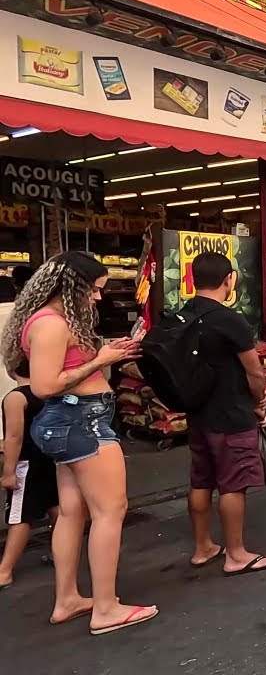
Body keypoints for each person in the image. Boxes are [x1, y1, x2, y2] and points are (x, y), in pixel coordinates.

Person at [0, 251, 157, 634]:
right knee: (110, 510)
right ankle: (106, 607)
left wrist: (107, 355)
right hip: (80, 420)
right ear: (72, 286)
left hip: (69, 422)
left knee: (73, 512)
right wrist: (97, 360)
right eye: (95, 289)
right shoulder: (52, 324)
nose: (97, 297)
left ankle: (68, 599)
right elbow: (44, 384)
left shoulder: (45, 321)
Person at [182, 253, 266, 576]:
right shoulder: (229, 320)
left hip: (198, 410)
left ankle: (202, 547)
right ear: (229, 279)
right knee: (233, 483)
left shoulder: (182, 315)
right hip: (231, 410)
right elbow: (254, 371)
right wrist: (260, 401)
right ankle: (236, 553)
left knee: (201, 479)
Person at [0, 363, 56, 590]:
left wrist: (8, 472)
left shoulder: (15, 398)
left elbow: (13, 438)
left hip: (27, 463)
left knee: (20, 516)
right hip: (52, 459)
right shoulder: (51, 392)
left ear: (9, 367)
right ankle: (59, 553)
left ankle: (4, 571)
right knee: (57, 508)